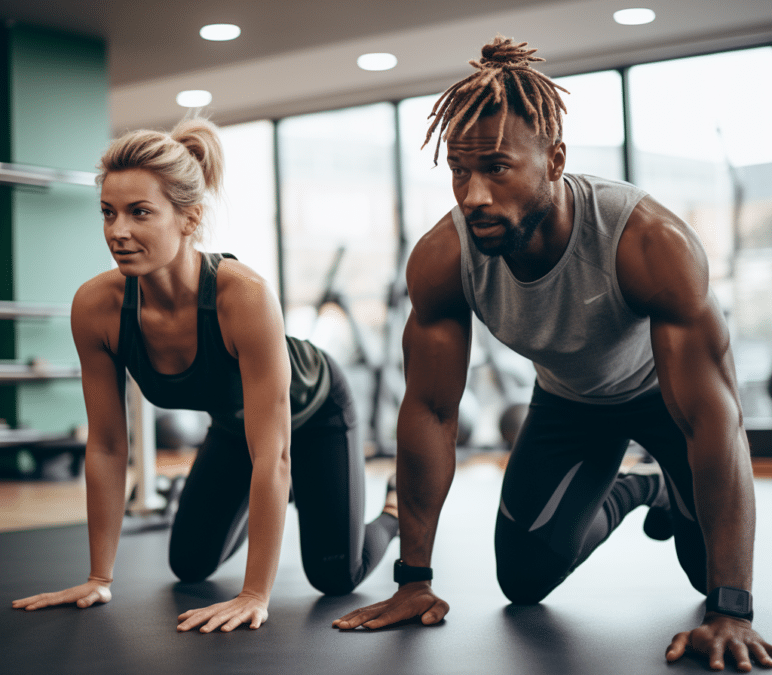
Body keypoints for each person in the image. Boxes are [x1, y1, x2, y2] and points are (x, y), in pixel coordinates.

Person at [333, 36, 772, 671]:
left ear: (555, 159)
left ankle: (669, 495)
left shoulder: (648, 243)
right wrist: (413, 578)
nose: (473, 194)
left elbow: (714, 418)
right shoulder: (444, 260)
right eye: (460, 170)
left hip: (663, 399)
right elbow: (430, 410)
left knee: (710, 575)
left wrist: (731, 609)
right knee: (524, 580)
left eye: (497, 168)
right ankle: (631, 490)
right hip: (568, 403)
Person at [12, 118, 398, 632]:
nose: (117, 232)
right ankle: (290, 494)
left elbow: (273, 453)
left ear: (188, 219)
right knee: (189, 563)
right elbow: (106, 445)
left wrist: (254, 594)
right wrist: (98, 577)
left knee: (335, 574)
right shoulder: (98, 308)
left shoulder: (245, 296)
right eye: (108, 213)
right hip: (238, 424)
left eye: (139, 213)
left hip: (314, 410)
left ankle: (394, 507)